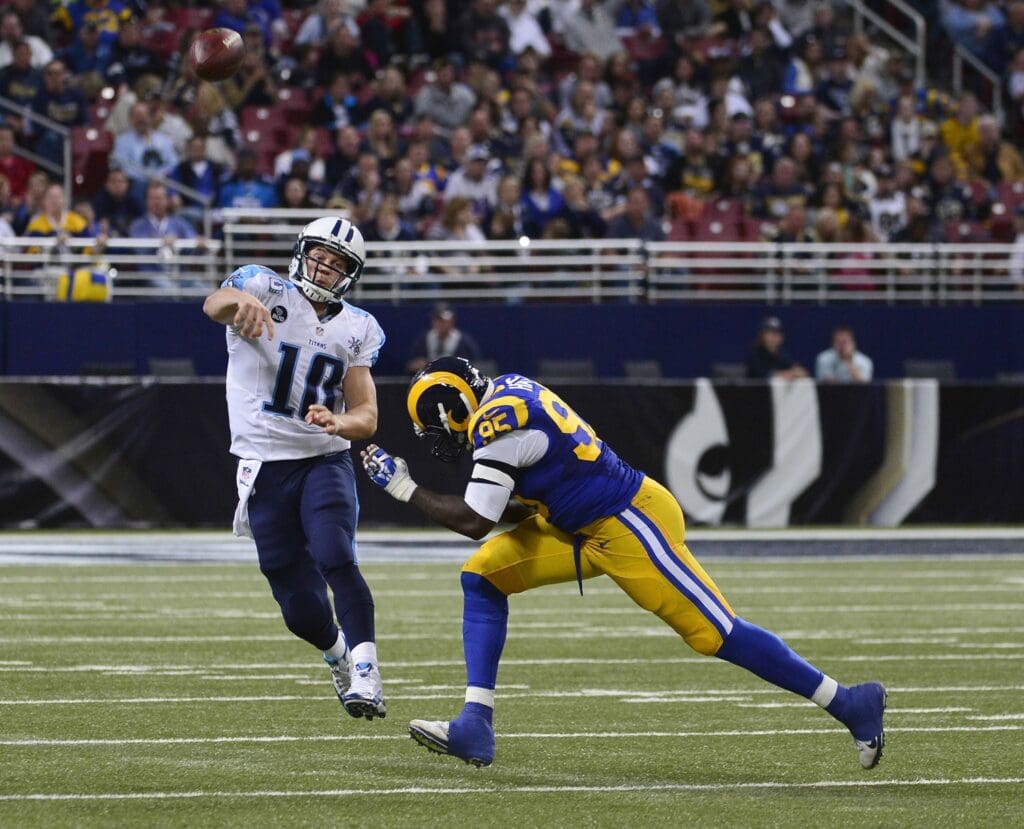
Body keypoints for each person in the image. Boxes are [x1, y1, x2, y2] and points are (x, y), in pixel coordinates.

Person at [358, 357, 886, 768]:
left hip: (628, 521)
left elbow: (476, 518)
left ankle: (849, 703)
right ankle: (476, 723)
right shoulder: (506, 390)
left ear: (452, 410)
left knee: (714, 633)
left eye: (437, 430)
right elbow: (510, 506)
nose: (440, 441)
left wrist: (404, 488)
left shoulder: (497, 425)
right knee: (481, 576)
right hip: (575, 523)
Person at [202, 216, 387, 722]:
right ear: (302, 252)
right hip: (263, 465)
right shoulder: (261, 284)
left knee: (335, 554)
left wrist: (340, 421)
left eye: (336, 264)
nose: (323, 268)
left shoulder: (358, 328)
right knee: (299, 607)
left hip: (322, 459)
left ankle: (368, 673)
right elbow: (212, 304)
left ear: (350, 274)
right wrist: (239, 302)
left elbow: (367, 417)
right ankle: (337, 654)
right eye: (318, 256)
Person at [406, 303, 483, 374]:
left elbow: (475, 365)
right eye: (437, 320)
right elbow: (411, 364)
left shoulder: (463, 341)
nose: (441, 324)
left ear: (452, 321)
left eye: (444, 321)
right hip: (429, 380)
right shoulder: (424, 339)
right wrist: (419, 364)